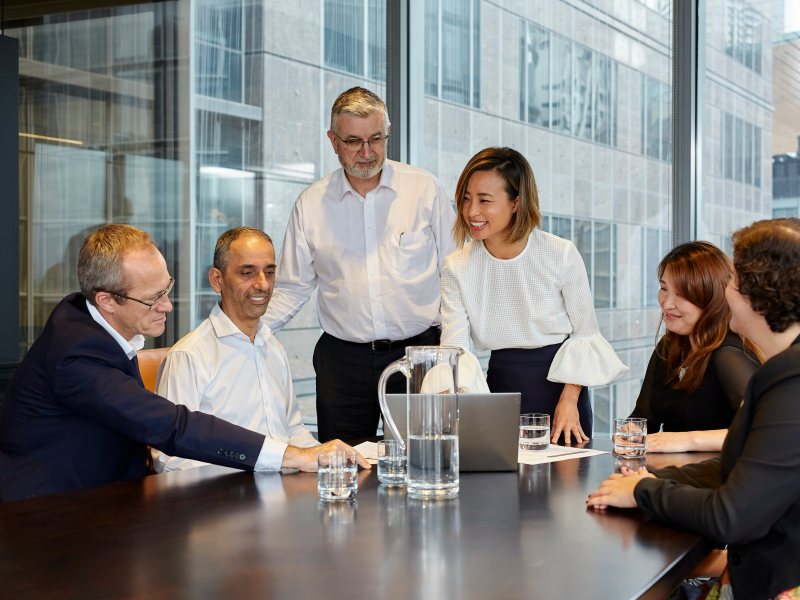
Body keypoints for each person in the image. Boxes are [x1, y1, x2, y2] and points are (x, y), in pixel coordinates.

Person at [0, 225, 366, 503]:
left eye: (167, 289)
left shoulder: (85, 318)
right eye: (154, 298)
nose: (168, 306)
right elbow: (172, 426)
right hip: (46, 516)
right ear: (107, 300)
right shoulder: (76, 357)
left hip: (106, 504)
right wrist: (291, 456)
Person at [587, 218, 800, 599]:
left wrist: (644, 491)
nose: (726, 291)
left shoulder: (787, 377)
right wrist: (644, 484)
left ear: (759, 292)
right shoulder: (783, 370)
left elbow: (731, 515)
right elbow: (743, 466)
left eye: (733, 280)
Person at [266, 86, 456, 442]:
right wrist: (249, 334)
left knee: (425, 462)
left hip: (419, 357)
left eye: (376, 139)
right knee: (343, 467)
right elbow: (292, 287)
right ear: (333, 141)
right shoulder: (310, 205)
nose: (367, 152)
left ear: (387, 134)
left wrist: (450, 353)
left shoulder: (424, 189)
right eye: (353, 141)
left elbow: (456, 273)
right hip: (343, 364)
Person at [440, 147, 627, 444]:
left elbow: (585, 334)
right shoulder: (457, 266)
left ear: (516, 202)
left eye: (484, 201)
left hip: (563, 391)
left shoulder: (559, 253)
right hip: (499, 390)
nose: (471, 211)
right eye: (466, 199)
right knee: (500, 486)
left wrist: (569, 401)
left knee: (568, 488)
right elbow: (456, 351)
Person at [155, 227, 354, 472]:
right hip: (226, 501)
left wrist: (330, 459)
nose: (262, 284)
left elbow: (293, 431)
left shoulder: (273, 347)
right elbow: (169, 461)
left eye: (269, 272)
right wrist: (261, 465)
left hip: (284, 492)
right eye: (247, 273)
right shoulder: (188, 356)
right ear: (217, 280)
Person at [629, 241, 760, 452]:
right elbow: (644, 420)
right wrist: (629, 433)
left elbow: (763, 431)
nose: (667, 303)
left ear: (711, 297)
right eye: (663, 288)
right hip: (676, 472)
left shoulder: (729, 355)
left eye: (681, 294)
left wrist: (686, 440)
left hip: (721, 475)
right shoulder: (669, 347)